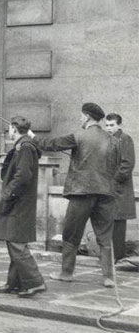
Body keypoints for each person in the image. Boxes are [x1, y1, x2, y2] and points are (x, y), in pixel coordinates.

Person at [30, 102, 119, 287]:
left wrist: (33, 137)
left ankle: (66, 273)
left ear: (87, 117)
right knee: (104, 236)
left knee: (71, 234)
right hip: (105, 193)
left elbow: (53, 144)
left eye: (81, 116)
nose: (79, 118)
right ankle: (109, 277)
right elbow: (116, 166)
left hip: (81, 193)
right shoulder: (113, 140)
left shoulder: (79, 136)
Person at [0, 116, 47, 298]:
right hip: (20, 202)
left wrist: (8, 193)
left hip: (19, 202)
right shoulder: (24, 146)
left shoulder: (25, 147)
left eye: (10, 128)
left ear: (14, 128)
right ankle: (15, 283)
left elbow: (23, 176)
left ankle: (35, 282)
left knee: (16, 242)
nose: (9, 131)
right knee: (13, 240)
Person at [105, 113, 135, 261]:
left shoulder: (125, 139)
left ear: (119, 125)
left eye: (112, 125)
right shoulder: (107, 140)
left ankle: (116, 257)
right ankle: (109, 257)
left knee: (118, 224)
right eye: (107, 125)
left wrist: (113, 181)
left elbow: (127, 165)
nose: (109, 128)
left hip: (119, 190)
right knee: (108, 222)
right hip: (108, 189)